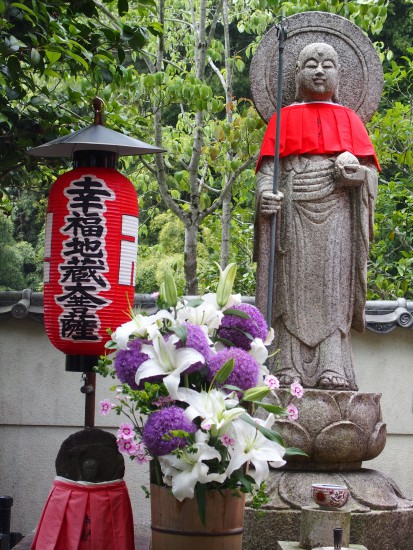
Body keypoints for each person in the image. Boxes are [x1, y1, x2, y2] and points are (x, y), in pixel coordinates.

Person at [254, 43, 380, 390]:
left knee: (332, 290)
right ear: (297, 73)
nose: (320, 71)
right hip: (293, 213)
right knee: (290, 291)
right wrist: (266, 196)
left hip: (337, 214)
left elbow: (369, 174)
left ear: (341, 74)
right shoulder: (283, 120)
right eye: (311, 64)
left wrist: (353, 173)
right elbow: (267, 173)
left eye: (328, 65)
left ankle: (332, 366)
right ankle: (287, 367)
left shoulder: (351, 121)